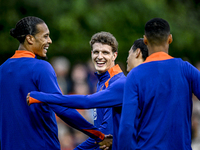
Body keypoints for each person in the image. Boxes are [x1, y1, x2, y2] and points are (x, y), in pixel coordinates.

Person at [0, 16, 111, 150]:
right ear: (30, 38)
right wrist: (98, 135)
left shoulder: (3, 69)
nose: (50, 41)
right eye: (45, 36)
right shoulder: (41, 67)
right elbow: (62, 108)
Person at [27, 38, 149, 149]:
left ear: (114, 55)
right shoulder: (102, 83)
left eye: (105, 52)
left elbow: (89, 104)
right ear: (91, 54)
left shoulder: (120, 84)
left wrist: (42, 97)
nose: (99, 56)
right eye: (96, 52)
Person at [118, 18, 200, 150]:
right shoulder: (186, 69)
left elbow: (127, 126)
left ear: (145, 40)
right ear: (170, 39)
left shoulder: (135, 75)